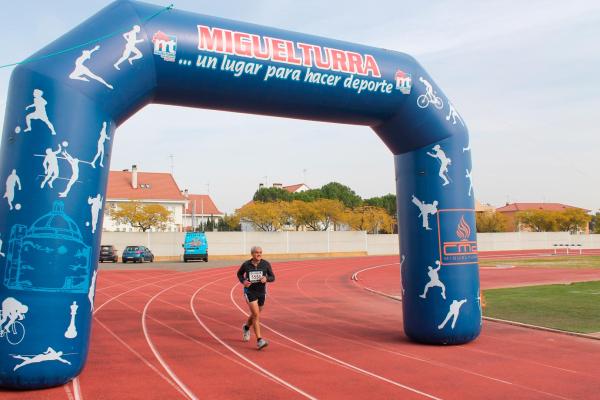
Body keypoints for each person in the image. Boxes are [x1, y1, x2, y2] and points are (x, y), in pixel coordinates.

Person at [236, 246, 275, 350]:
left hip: (261, 292)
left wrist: (266, 278)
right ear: (252, 254)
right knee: (256, 315)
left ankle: (246, 327)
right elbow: (239, 274)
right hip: (250, 292)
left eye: (260, 252)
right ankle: (259, 340)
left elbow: (273, 277)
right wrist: (243, 281)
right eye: (257, 252)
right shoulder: (246, 264)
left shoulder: (265, 264)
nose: (259, 254)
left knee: (255, 314)